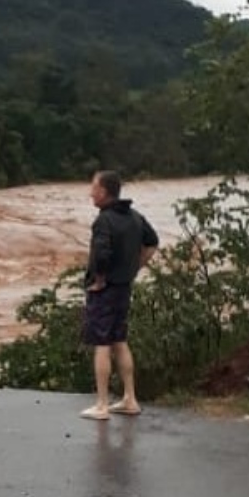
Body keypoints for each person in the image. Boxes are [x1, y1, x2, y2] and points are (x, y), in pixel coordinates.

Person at [80, 170, 159, 421]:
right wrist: (136, 266)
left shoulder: (104, 221)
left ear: (103, 192)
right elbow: (153, 241)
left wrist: (100, 279)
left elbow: (101, 254)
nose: (90, 192)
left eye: (93, 187)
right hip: (124, 287)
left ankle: (102, 404)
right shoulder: (135, 217)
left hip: (105, 290)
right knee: (119, 340)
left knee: (101, 343)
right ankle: (130, 398)